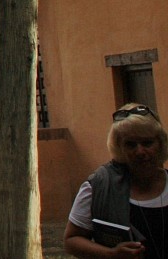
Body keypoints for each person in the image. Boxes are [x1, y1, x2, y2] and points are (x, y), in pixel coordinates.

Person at [64, 103, 168, 258]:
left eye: (147, 143)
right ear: (119, 147)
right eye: (130, 144)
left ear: (160, 143)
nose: (140, 151)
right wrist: (111, 254)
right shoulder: (98, 187)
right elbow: (71, 240)